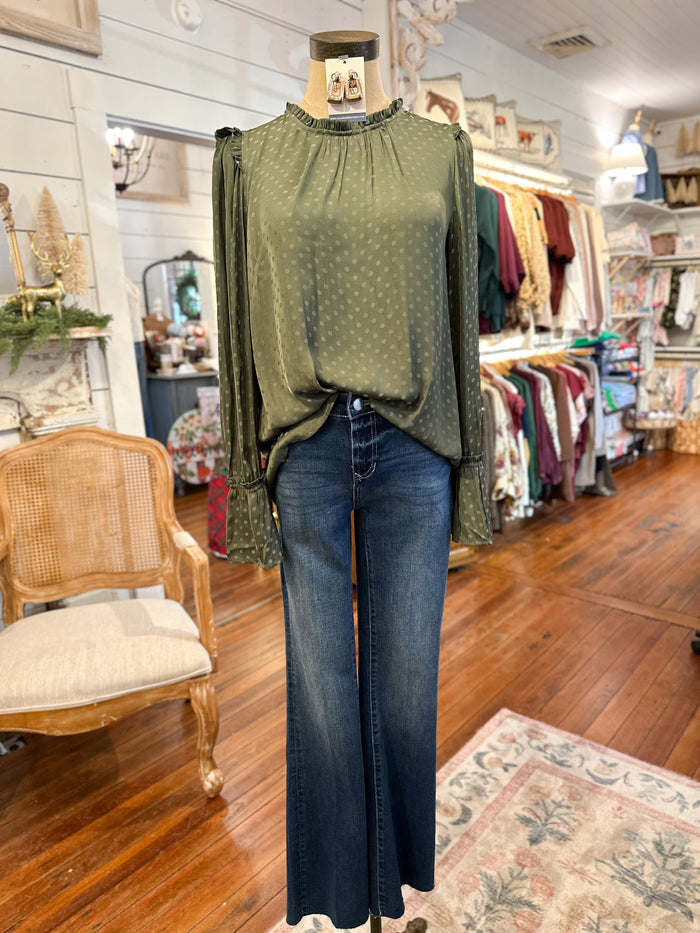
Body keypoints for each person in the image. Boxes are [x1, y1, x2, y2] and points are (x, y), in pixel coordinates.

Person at [212, 29, 491, 930]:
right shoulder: (251, 160)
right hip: (309, 449)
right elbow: (237, 331)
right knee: (325, 692)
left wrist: (474, 473)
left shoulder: (439, 151)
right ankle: (347, 901)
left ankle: (392, 884)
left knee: (405, 686)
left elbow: (460, 322)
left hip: (415, 450)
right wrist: (242, 483)